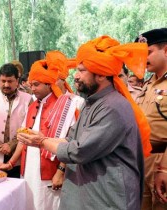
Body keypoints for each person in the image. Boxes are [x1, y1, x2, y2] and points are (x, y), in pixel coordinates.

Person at [18, 36, 152, 210]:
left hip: (107, 198)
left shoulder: (113, 107)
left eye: (82, 71)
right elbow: (70, 139)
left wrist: (42, 142)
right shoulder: (92, 103)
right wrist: (41, 139)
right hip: (89, 195)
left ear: (102, 74)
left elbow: (79, 150)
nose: (76, 76)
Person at [0, 51, 83, 210]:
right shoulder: (32, 106)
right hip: (28, 173)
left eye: (36, 84)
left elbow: (71, 143)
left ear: (49, 83)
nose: (32, 87)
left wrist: (60, 171)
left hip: (50, 175)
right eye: (31, 83)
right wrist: (10, 163)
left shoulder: (70, 105)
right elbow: (24, 140)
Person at [134, 28, 167, 210]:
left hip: (162, 161)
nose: (142, 59)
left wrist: (165, 169)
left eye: (148, 53)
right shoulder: (148, 84)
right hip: (143, 161)